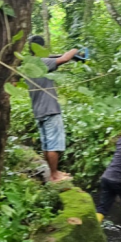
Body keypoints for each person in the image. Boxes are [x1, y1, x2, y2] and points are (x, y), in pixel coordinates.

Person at [25, 35, 79, 182]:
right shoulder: (43, 62)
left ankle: (52, 172)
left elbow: (54, 58)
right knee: (54, 144)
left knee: (47, 144)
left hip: (38, 110)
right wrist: (75, 50)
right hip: (50, 108)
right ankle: (55, 175)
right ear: (42, 47)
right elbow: (64, 59)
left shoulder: (27, 65)